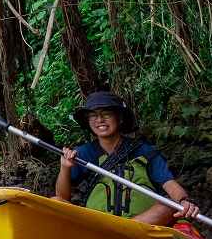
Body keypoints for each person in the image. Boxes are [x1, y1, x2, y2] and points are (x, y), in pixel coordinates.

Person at [54, 91, 200, 225]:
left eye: (106, 114)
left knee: (169, 205)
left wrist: (184, 200)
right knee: (55, 202)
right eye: (93, 115)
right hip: (97, 226)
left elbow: (171, 186)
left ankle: (122, 230)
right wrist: (65, 168)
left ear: (120, 118)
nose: (99, 120)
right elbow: (62, 195)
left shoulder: (144, 152)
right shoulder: (83, 153)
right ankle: (110, 233)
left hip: (139, 227)